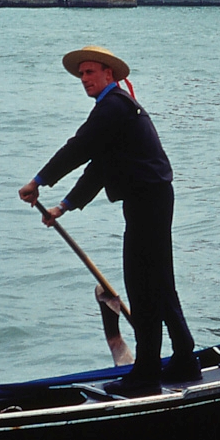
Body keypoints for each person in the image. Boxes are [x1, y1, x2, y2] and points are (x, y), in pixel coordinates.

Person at [18, 45, 199, 394]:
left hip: (150, 200)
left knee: (143, 286)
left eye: (90, 72)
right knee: (158, 282)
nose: (84, 79)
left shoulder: (113, 106)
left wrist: (38, 181)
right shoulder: (113, 109)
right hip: (150, 199)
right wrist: (64, 206)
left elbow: (78, 147)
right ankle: (184, 359)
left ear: (109, 75)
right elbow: (100, 166)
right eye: (81, 74)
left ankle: (146, 372)